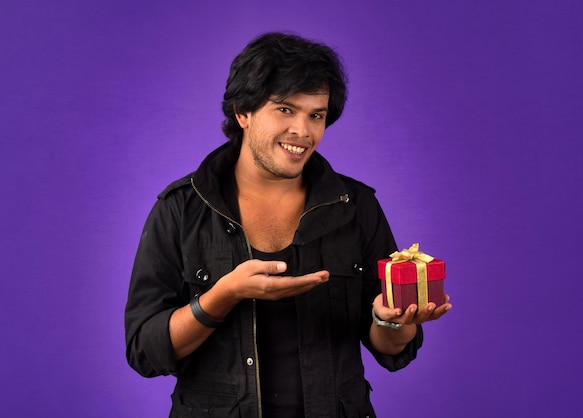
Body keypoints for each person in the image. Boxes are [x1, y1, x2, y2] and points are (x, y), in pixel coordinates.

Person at [124, 31, 451, 418]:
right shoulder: (181, 209)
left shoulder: (356, 206)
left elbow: (391, 347)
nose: (303, 131)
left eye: (317, 115)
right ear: (242, 112)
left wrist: (393, 321)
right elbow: (145, 350)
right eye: (285, 110)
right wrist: (224, 295)